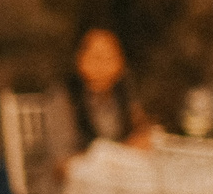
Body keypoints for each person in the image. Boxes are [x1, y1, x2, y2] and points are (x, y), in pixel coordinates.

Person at [40, 26, 156, 180]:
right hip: (73, 186)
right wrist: (112, 155)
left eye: (110, 58)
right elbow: (62, 163)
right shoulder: (64, 97)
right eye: (96, 58)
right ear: (80, 60)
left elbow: (140, 127)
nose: (102, 67)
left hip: (116, 180)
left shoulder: (123, 92)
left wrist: (141, 137)